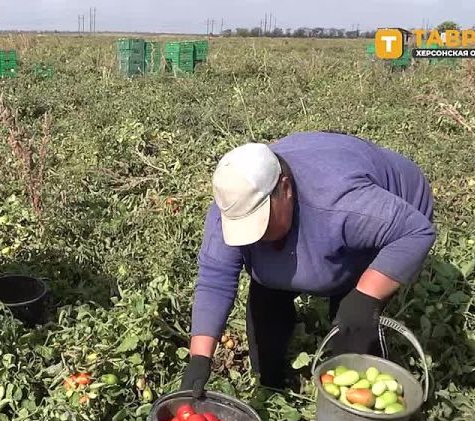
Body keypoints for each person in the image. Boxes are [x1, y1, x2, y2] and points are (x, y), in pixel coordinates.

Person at [180, 132, 436, 395]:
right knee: (266, 303)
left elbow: (416, 232)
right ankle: (272, 385)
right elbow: (215, 280)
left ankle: (357, 412)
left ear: (286, 189)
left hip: (394, 216)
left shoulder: (341, 203)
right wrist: (200, 359)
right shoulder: (234, 205)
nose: (255, 236)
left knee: (353, 321)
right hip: (327, 207)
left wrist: (366, 296)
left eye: (261, 221)